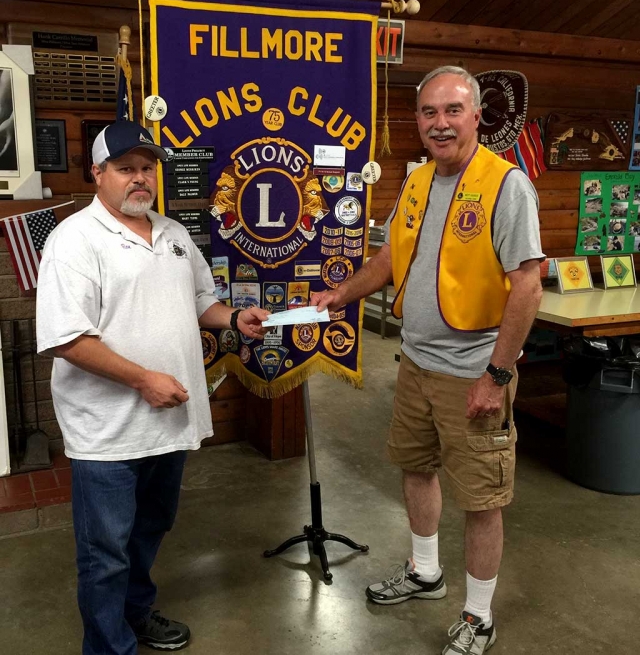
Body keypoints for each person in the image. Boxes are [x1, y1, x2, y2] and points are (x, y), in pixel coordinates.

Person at [311, 66, 544, 655]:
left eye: (452, 110)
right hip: (414, 362)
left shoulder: (506, 184)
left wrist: (497, 374)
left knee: (481, 499)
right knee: (416, 470)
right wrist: (341, 294)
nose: (439, 123)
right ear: (418, 121)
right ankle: (424, 572)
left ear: (476, 115)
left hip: (473, 370)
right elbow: (391, 256)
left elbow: (527, 286)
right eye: (428, 113)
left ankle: (479, 616)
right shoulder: (417, 181)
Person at [36, 120, 269, 655]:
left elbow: (197, 303)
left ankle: (135, 616)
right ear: (97, 173)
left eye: (147, 168)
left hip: (170, 419)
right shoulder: (76, 239)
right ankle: (107, 646)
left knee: (150, 529)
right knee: (105, 551)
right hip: (108, 431)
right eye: (125, 169)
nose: (139, 179)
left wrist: (234, 318)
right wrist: (142, 379)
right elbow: (65, 338)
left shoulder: (173, 234)